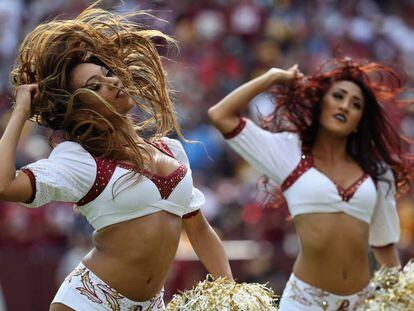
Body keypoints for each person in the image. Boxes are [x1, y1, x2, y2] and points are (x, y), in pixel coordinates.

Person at [2, 2, 232, 310]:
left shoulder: (172, 151)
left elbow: (200, 230)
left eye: (108, 74)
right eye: (94, 86)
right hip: (89, 302)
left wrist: (231, 292)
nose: (110, 82)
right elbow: (5, 185)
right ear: (80, 106)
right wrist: (20, 112)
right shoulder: (80, 160)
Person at [208, 58, 412, 310]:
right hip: (305, 302)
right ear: (321, 103)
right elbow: (221, 116)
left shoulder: (376, 171)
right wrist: (273, 77)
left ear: (360, 120)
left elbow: (384, 245)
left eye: (356, 104)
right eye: (338, 96)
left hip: (361, 303)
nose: (345, 106)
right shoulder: (288, 152)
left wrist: (400, 300)